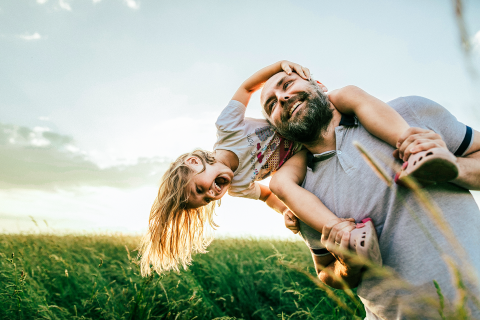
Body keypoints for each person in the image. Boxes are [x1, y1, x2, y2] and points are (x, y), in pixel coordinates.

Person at [139, 60, 455, 278]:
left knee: (347, 93)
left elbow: (248, 86)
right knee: (280, 185)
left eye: (201, 188)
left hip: (302, 125)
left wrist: (280, 67)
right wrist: (288, 212)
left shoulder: (227, 128)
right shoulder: (236, 187)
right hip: (299, 151)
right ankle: (345, 236)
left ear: (195, 163)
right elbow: (266, 195)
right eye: (207, 200)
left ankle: (413, 146)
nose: (213, 193)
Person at [261, 70, 480, 319]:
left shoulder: (409, 112)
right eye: (271, 104)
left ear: (320, 86)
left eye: (287, 84)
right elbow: (324, 270)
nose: (282, 98)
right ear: (278, 128)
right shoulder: (299, 194)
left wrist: (453, 167)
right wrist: (347, 266)